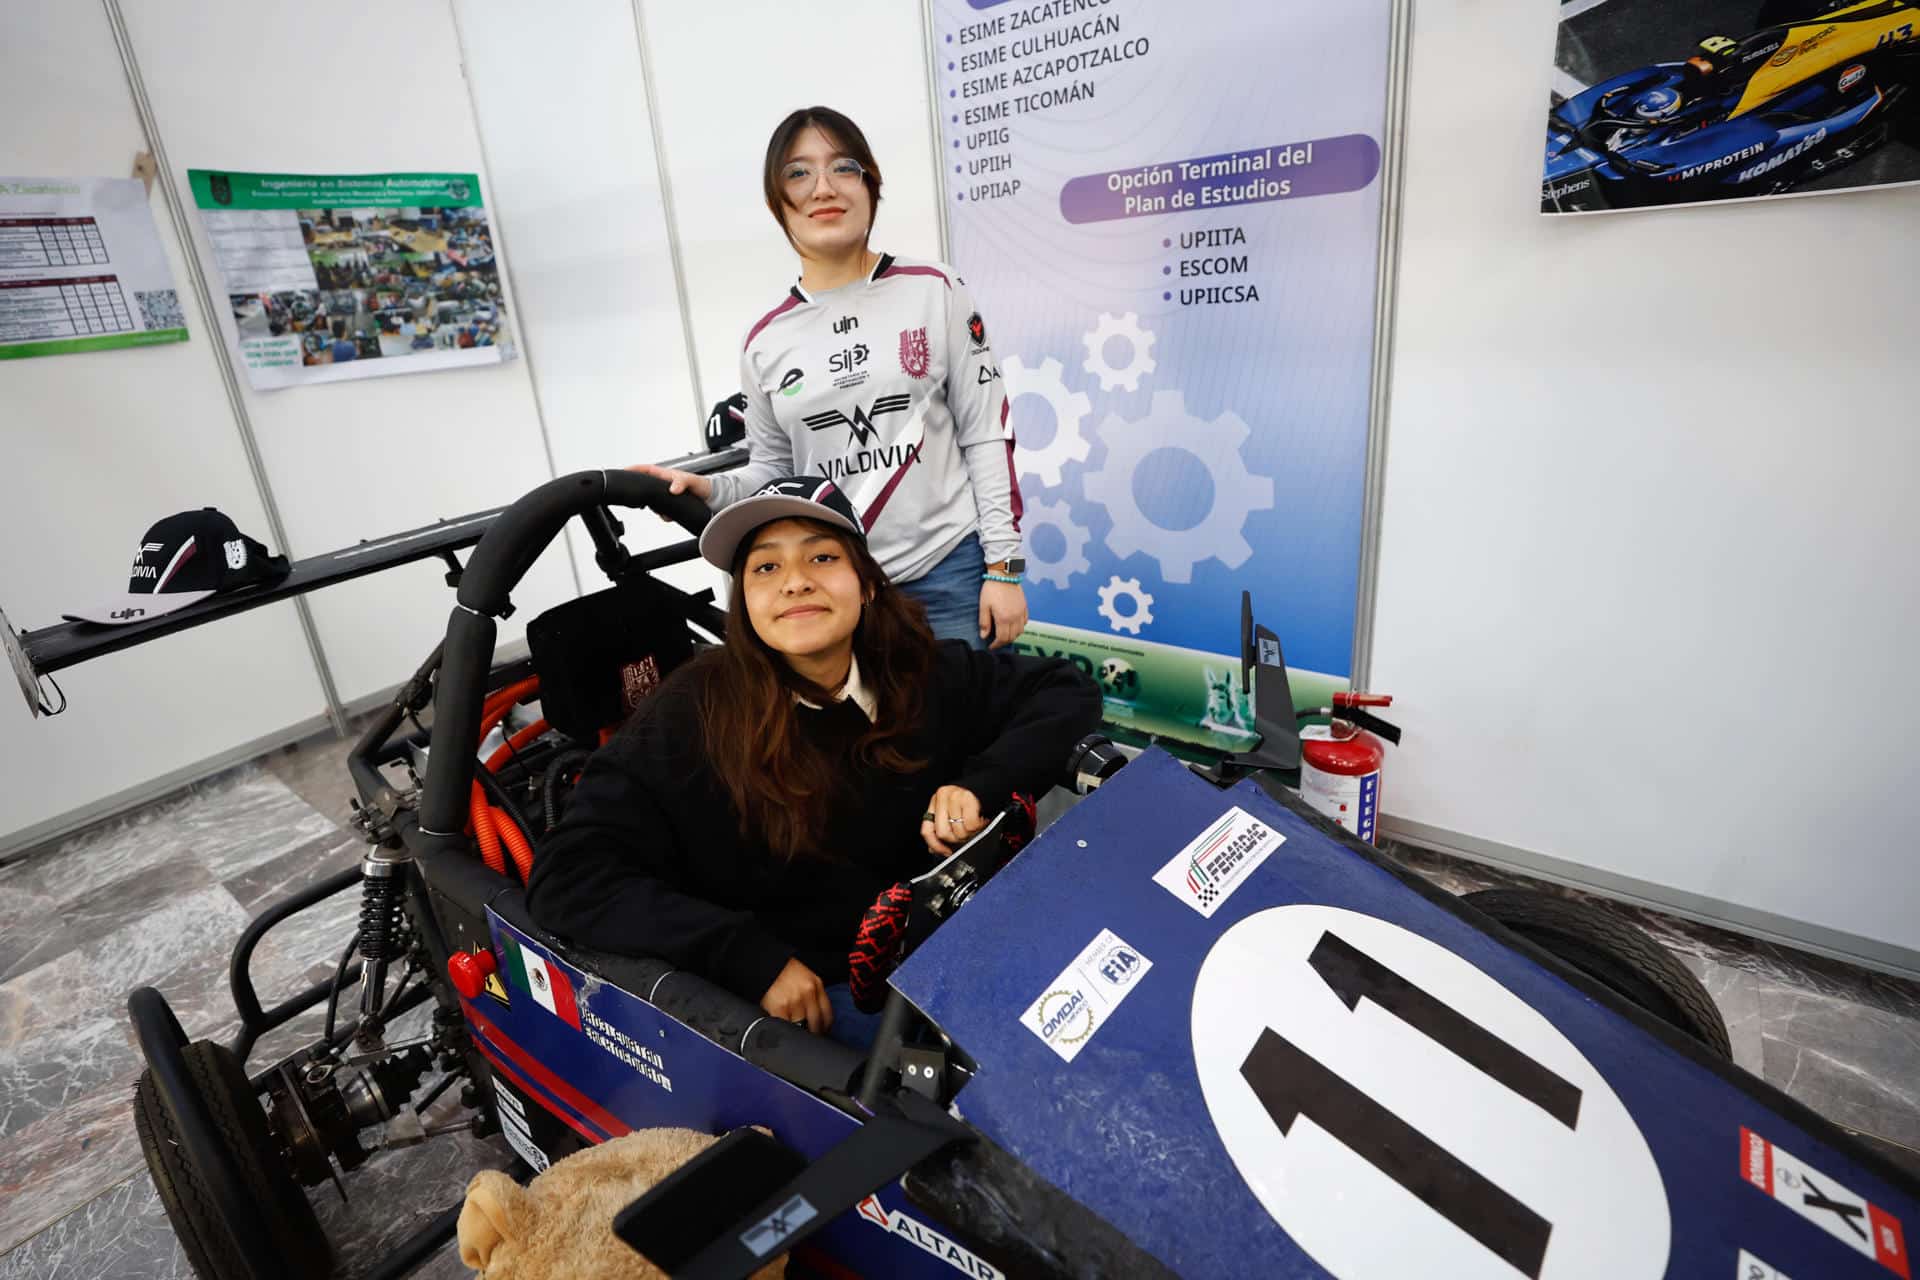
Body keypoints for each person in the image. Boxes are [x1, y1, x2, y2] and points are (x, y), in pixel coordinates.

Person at [525, 477, 1099, 1049]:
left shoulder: (916, 670)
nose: (796, 582)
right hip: (831, 994)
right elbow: (567, 876)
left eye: (822, 557)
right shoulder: (690, 715)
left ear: (867, 585)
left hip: (955, 941)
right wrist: (748, 958)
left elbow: (1064, 690)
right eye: (765, 569)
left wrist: (979, 785)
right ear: (745, 604)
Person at [633, 106, 1028, 651]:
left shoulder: (935, 290)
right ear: (779, 204)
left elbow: (986, 432)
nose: (824, 187)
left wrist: (1003, 569)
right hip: (832, 585)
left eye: (844, 167)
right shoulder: (766, 341)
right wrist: (711, 490)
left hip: (948, 574)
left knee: (965, 731)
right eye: (798, 173)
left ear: (870, 186)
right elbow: (774, 473)